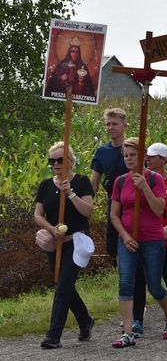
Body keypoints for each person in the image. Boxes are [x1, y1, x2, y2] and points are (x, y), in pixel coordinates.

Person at [109, 137, 167, 348]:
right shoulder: (120, 181)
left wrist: (145, 188)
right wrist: (125, 235)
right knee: (126, 282)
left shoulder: (154, 179)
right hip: (128, 238)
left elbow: (159, 209)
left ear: (142, 156)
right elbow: (114, 214)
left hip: (152, 238)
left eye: (133, 155)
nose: (129, 159)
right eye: (126, 155)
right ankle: (128, 331)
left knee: (155, 286)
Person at [34, 142, 94, 349]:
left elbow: (87, 211)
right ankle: (85, 320)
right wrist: (51, 229)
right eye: (52, 160)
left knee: (62, 288)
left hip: (76, 241)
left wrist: (70, 194)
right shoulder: (45, 185)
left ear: (70, 161)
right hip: (56, 244)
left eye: (60, 160)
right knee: (64, 286)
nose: (56, 164)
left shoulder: (81, 181)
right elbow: (38, 215)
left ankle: (53, 335)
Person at [131, 143, 167, 337]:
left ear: (164, 159)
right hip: (146, 236)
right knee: (139, 278)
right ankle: (137, 320)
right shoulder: (141, 180)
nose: (148, 159)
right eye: (148, 155)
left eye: (154, 156)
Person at [90, 108, 129, 264]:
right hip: (113, 204)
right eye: (107, 124)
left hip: (134, 203)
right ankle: (123, 281)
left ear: (124, 126)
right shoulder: (102, 152)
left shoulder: (133, 149)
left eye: (114, 124)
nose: (110, 127)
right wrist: (86, 205)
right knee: (115, 244)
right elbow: (94, 183)